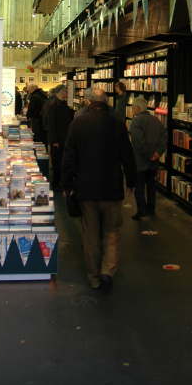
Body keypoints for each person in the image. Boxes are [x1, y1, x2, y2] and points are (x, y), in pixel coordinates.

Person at [62, 88, 136, 291]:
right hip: (111, 188)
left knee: (91, 234)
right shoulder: (117, 124)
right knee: (112, 232)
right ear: (106, 103)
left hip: (86, 188)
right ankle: (107, 271)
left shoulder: (77, 124)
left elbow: (69, 158)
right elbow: (127, 155)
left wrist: (67, 185)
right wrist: (131, 181)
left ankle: (93, 276)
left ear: (88, 102)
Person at [129, 95, 167, 219]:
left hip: (140, 161)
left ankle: (142, 210)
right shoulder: (156, 120)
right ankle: (151, 208)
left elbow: (138, 142)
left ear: (137, 108)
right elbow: (164, 137)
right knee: (151, 185)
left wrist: (149, 154)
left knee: (139, 187)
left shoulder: (136, 121)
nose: (132, 110)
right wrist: (157, 153)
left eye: (133, 107)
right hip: (154, 161)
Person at [46, 84, 74, 191]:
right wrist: (54, 141)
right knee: (57, 162)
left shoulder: (62, 104)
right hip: (58, 140)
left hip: (63, 138)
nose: (67, 94)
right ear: (61, 92)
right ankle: (56, 184)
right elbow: (52, 124)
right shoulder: (54, 105)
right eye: (66, 92)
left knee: (62, 162)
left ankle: (60, 183)